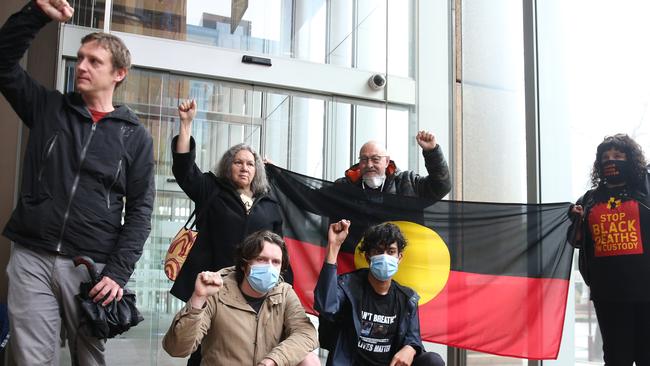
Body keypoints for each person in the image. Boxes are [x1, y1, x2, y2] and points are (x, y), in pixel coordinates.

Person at [0, 0, 155, 364]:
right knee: (30, 359)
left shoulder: (135, 137)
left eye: (94, 61)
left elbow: (140, 211)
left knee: (88, 360)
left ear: (119, 73)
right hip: (32, 257)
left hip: (91, 268)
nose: (82, 66)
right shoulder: (49, 109)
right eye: (81, 58)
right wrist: (36, 13)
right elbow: (3, 62)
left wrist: (117, 272)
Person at [170, 99, 284, 364]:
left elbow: (280, 246)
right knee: (202, 344)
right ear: (228, 165)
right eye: (238, 162)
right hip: (212, 284)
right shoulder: (211, 188)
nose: (244, 167)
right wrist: (186, 124)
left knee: (247, 345)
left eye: (250, 164)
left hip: (254, 287)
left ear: (257, 170)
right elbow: (184, 171)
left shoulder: (269, 202)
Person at [163, 230, 320, 366]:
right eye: (262, 259)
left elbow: (306, 334)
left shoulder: (284, 293)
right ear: (245, 265)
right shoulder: (216, 291)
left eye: (276, 262)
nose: (269, 267)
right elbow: (176, 348)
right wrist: (198, 298)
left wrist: (273, 361)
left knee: (309, 359)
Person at [568, 134, 650, 366]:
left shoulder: (645, 192)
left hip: (647, 289)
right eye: (605, 157)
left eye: (618, 155)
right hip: (609, 292)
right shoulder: (590, 199)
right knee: (616, 357)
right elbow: (575, 241)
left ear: (631, 159)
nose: (610, 160)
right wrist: (577, 221)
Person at [314, 220, 445, 366]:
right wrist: (334, 246)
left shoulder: (406, 298)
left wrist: (411, 348)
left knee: (433, 361)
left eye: (391, 252)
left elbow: (413, 338)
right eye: (378, 251)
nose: (385, 257)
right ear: (368, 256)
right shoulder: (348, 286)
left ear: (399, 257)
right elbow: (326, 306)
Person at [335, 131, 450, 200]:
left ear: (386, 162)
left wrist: (432, 152)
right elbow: (318, 201)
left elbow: (441, 187)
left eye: (375, 159)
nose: (369, 165)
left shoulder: (407, 183)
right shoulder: (345, 187)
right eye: (364, 159)